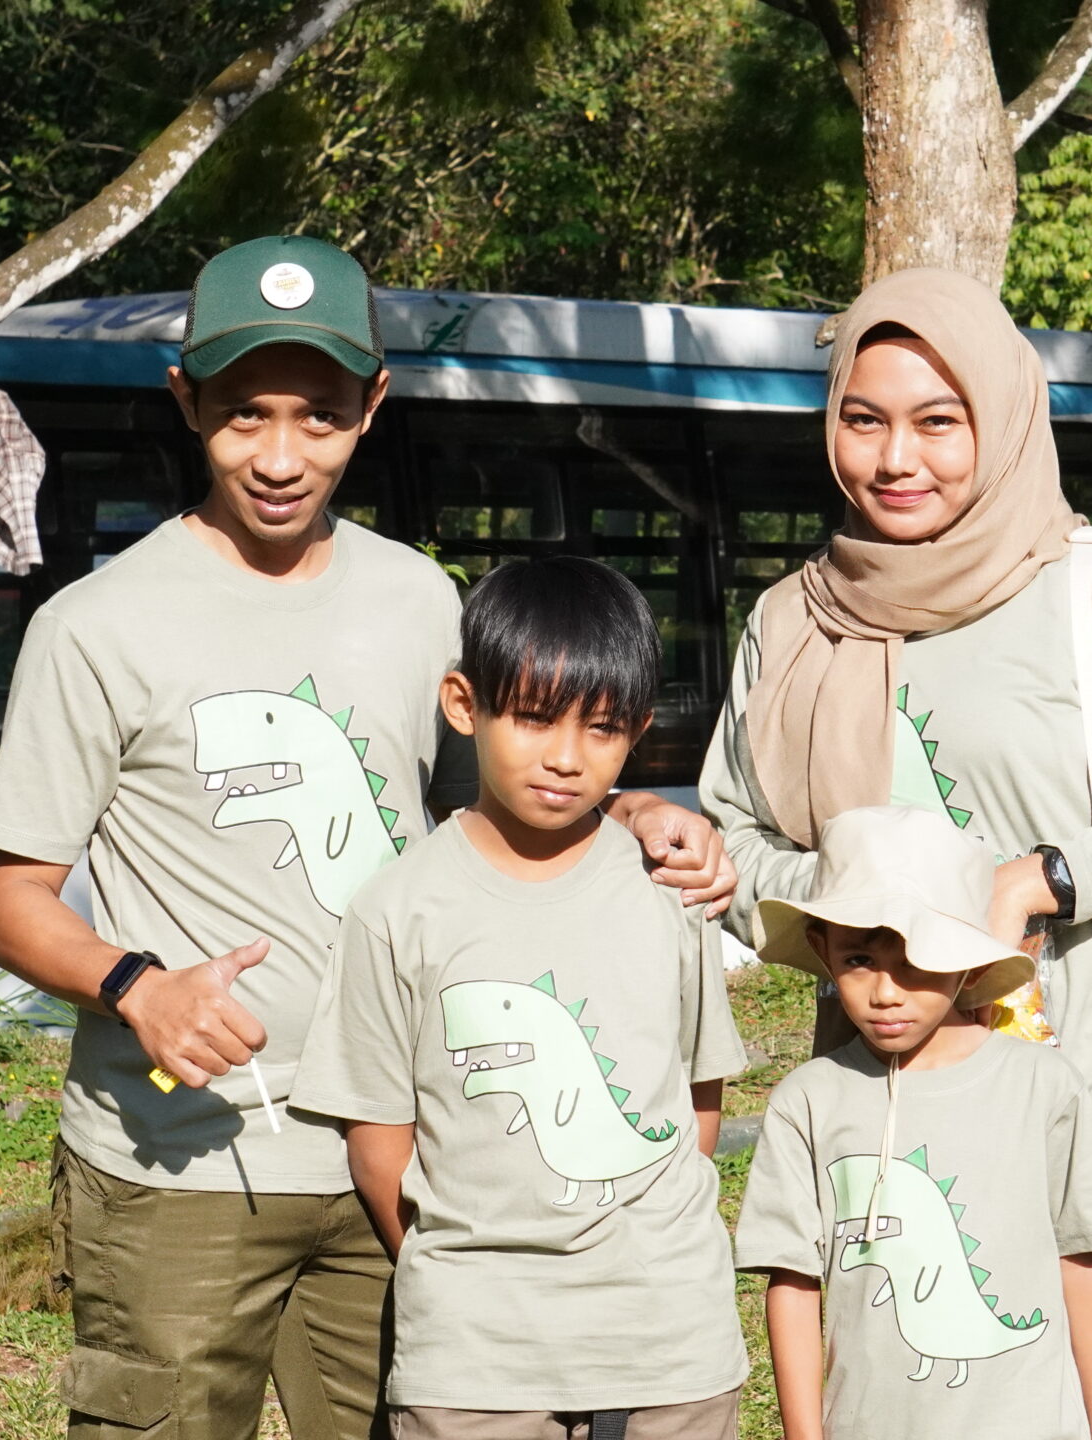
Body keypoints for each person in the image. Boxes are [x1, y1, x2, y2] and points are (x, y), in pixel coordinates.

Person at [0, 235, 735, 1440]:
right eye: (244, 414)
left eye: (319, 416)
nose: (281, 456)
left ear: (371, 405)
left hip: (407, 1156)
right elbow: (7, 900)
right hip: (179, 1161)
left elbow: (499, 803)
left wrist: (634, 812)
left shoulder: (422, 601)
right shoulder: (93, 625)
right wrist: (137, 988)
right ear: (186, 401)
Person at [699, 267, 1092, 1440]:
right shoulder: (794, 619)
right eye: (863, 421)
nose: (895, 458)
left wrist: (1043, 879)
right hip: (879, 1145)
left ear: (999, 420)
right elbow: (732, 846)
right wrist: (863, 903)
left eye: (937, 422)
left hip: (1086, 1131)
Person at [295, 556, 749, 1440]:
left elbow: (696, 1098)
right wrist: (461, 1286)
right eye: (535, 718)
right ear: (463, 704)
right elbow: (379, 1142)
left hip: (672, 1348)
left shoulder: (671, 890)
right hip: (474, 1362)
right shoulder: (396, 908)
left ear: (638, 732)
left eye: (603, 728)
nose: (566, 758)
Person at [735, 805, 1092, 1440]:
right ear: (822, 948)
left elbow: (1081, 1260)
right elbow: (793, 1282)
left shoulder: (1045, 1086)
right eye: (859, 959)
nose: (886, 991)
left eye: (918, 960)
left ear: (970, 961)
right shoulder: (806, 1101)